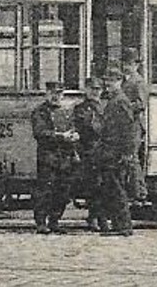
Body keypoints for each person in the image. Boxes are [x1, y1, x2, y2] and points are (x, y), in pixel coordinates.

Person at [30, 81, 78, 234]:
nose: (56, 97)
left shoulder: (66, 112)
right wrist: (60, 136)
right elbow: (39, 133)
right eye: (53, 94)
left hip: (64, 157)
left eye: (59, 94)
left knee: (62, 191)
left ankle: (55, 220)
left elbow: (73, 128)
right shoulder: (40, 112)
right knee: (45, 191)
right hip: (48, 157)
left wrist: (74, 136)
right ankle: (41, 222)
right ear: (47, 94)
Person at [97, 67, 139, 236]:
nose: (108, 84)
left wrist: (127, 153)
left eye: (112, 81)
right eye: (107, 81)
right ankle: (118, 225)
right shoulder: (114, 100)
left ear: (119, 82)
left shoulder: (120, 101)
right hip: (109, 152)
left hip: (116, 153)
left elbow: (128, 129)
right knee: (112, 189)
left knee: (117, 190)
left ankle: (124, 226)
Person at [72, 76, 106, 231]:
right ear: (86, 90)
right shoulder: (81, 109)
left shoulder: (105, 106)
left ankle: (98, 218)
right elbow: (86, 129)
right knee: (95, 187)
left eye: (98, 89)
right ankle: (95, 219)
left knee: (103, 187)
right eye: (92, 89)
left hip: (104, 151)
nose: (95, 92)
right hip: (90, 151)